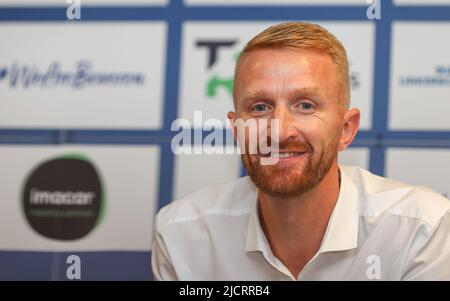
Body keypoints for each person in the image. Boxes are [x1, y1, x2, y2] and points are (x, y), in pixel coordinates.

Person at [151, 22, 450, 280]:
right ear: (237, 129)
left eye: (306, 105)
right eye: (260, 107)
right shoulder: (182, 235)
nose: (280, 131)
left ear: (346, 129)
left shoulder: (421, 229)